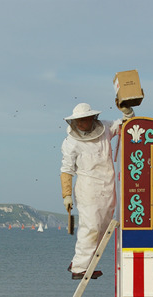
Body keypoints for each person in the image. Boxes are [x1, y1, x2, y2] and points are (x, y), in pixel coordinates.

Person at [60, 102, 134, 279]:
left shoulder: (105, 128)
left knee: (104, 226)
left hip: (108, 186)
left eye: (83, 120)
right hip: (87, 188)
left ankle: (85, 263)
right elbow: (66, 169)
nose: (80, 124)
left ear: (92, 118)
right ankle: (79, 267)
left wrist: (128, 112)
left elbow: (126, 126)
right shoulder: (71, 142)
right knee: (91, 226)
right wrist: (67, 195)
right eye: (77, 121)